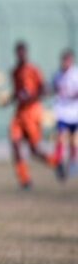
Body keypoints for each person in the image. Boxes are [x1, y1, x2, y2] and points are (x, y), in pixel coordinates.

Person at [8, 42, 57, 189]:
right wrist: (8, 100)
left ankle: (55, 162)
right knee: (15, 144)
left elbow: (44, 89)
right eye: (18, 53)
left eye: (23, 52)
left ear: (26, 53)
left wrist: (31, 97)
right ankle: (25, 180)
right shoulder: (14, 72)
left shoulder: (34, 70)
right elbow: (17, 93)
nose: (21, 55)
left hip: (32, 113)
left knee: (34, 150)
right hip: (19, 114)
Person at [52, 49, 78, 179]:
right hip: (62, 112)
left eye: (68, 60)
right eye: (64, 60)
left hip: (75, 113)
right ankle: (59, 162)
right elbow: (52, 89)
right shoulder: (57, 75)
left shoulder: (76, 74)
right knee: (60, 137)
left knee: (74, 140)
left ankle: (73, 163)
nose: (65, 63)